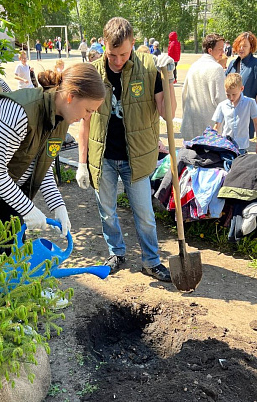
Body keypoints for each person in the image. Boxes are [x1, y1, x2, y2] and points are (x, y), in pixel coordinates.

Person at [0, 63, 106, 238]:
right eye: (88, 110)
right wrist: (28, 208)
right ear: (70, 96)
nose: (87, 117)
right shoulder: (19, 112)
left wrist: (57, 205)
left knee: (15, 246)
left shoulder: (61, 119)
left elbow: (41, 164)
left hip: (7, 182)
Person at [75, 17, 177, 282]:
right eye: (112, 54)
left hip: (138, 158)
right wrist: (81, 162)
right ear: (103, 44)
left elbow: (167, 113)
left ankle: (151, 261)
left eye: (123, 54)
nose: (117, 60)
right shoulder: (93, 73)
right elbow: (84, 121)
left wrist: (169, 79)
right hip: (104, 158)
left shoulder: (149, 69)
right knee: (106, 211)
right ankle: (116, 252)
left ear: (133, 43)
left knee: (144, 215)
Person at [181, 33, 227, 140]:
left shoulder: (194, 66)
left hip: (190, 125)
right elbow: (222, 101)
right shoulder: (217, 69)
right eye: (220, 49)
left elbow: (185, 95)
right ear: (210, 50)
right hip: (209, 131)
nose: (223, 52)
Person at [212, 73, 257, 155]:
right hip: (226, 145)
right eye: (228, 94)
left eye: (234, 94)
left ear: (242, 89)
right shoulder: (222, 105)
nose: (231, 98)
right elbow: (216, 126)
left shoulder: (250, 102)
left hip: (241, 146)